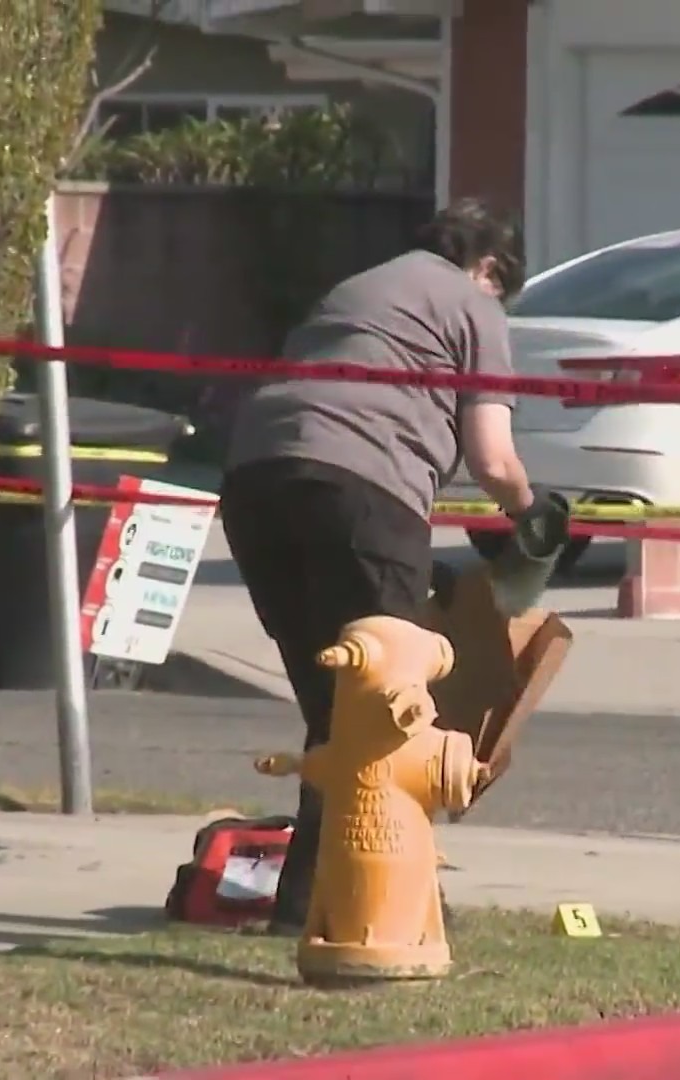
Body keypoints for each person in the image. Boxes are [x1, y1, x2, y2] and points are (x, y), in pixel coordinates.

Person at [218, 197, 556, 934]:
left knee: (333, 708)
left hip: (256, 483)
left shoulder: (359, 287)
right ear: (492, 268)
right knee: (386, 712)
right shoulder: (472, 303)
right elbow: (493, 458)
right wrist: (533, 516)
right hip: (364, 486)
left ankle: (308, 905)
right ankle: (388, 899)